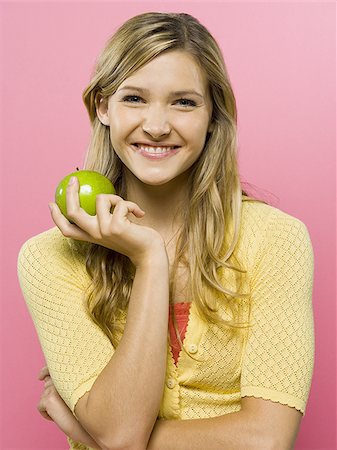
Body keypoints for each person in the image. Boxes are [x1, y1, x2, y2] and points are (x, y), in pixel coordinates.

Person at [17, 11, 314, 450]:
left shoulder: (277, 239)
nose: (156, 126)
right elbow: (120, 433)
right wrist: (150, 259)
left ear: (214, 115)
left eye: (184, 102)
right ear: (103, 107)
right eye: (134, 98)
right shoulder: (48, 258)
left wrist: (90, 432)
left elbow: (265, 441)